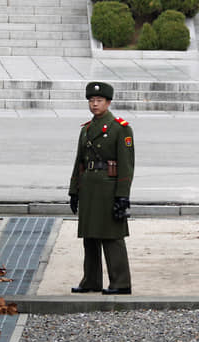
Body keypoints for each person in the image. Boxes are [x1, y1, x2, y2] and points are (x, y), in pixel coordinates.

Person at [68, 82, 135, 295]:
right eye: (91, 100)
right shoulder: (87, 129)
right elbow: (79, 161)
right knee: (90, 236)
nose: (94, 104)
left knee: (112, 236)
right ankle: (91, 280)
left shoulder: (120, 128)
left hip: (108, 188)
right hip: (89, 187)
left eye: (99, 101)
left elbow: (126, 165)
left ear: (108, 102)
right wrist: (74, 190)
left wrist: (122, 196)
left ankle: (121, 282)